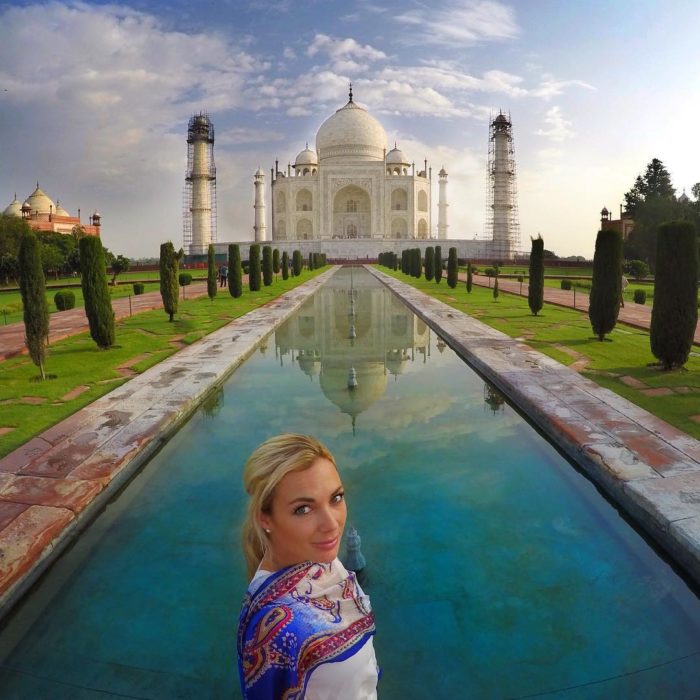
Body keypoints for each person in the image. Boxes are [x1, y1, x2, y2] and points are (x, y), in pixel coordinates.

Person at [237, 434, 378, 699]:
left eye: (336, 498)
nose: (331, 524)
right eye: (303, 509)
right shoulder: (282, 628)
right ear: (264, 518)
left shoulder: (319, 562)